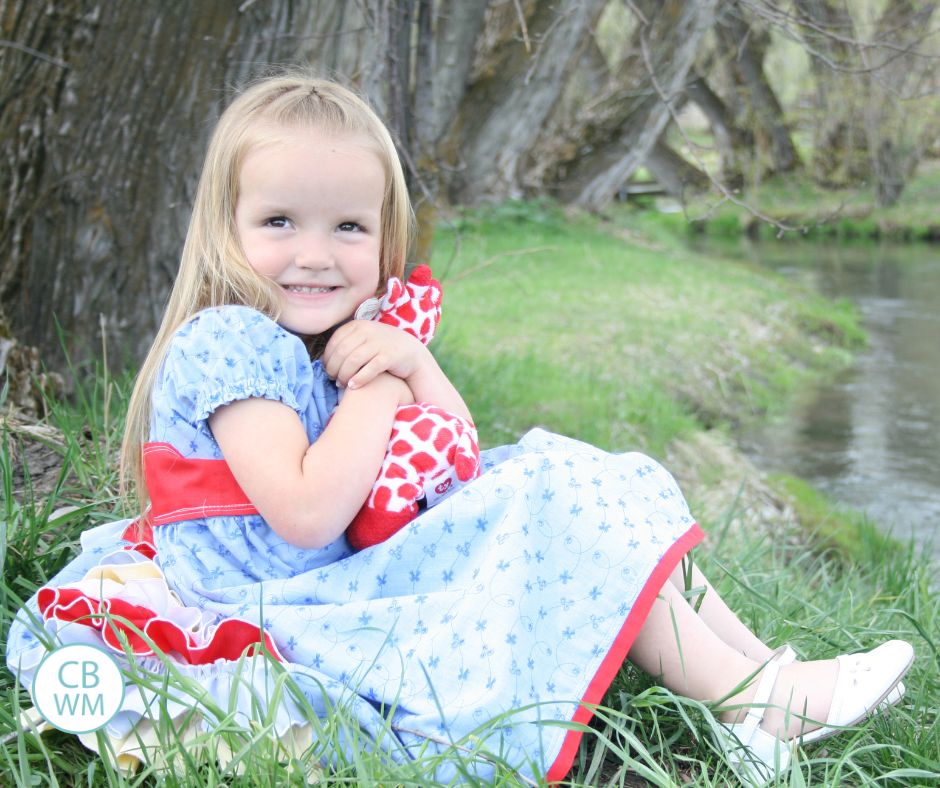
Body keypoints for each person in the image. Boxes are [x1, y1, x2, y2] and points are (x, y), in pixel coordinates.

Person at [5, 71, 913, 784]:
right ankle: (758, 701)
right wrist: (375, 391)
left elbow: (460, 450)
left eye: (348, 227)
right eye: (280, 221)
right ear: (226, 228)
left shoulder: (328, 336)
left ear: (385, 237)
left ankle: (763, 682)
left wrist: (407, 359)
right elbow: (307, 514)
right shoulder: (229, 343)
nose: (315, 253)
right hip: (285, 592)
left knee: (571, 473)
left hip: (344, 565)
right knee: (549, 499)